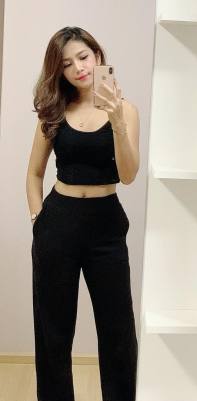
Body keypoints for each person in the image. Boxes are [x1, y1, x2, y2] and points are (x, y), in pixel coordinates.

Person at [25, 26, 140, 401]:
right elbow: (34, 173)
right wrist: (39, 222)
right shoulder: (55, 111)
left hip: (106, 226)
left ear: (97, 55)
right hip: (58, 225)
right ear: (58, 71)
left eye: (83, 57)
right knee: (53, 332)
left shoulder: (126, 111)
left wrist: (117, 121)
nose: (78, 68)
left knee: (118, 331)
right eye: (66, 63)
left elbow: (128, 175)